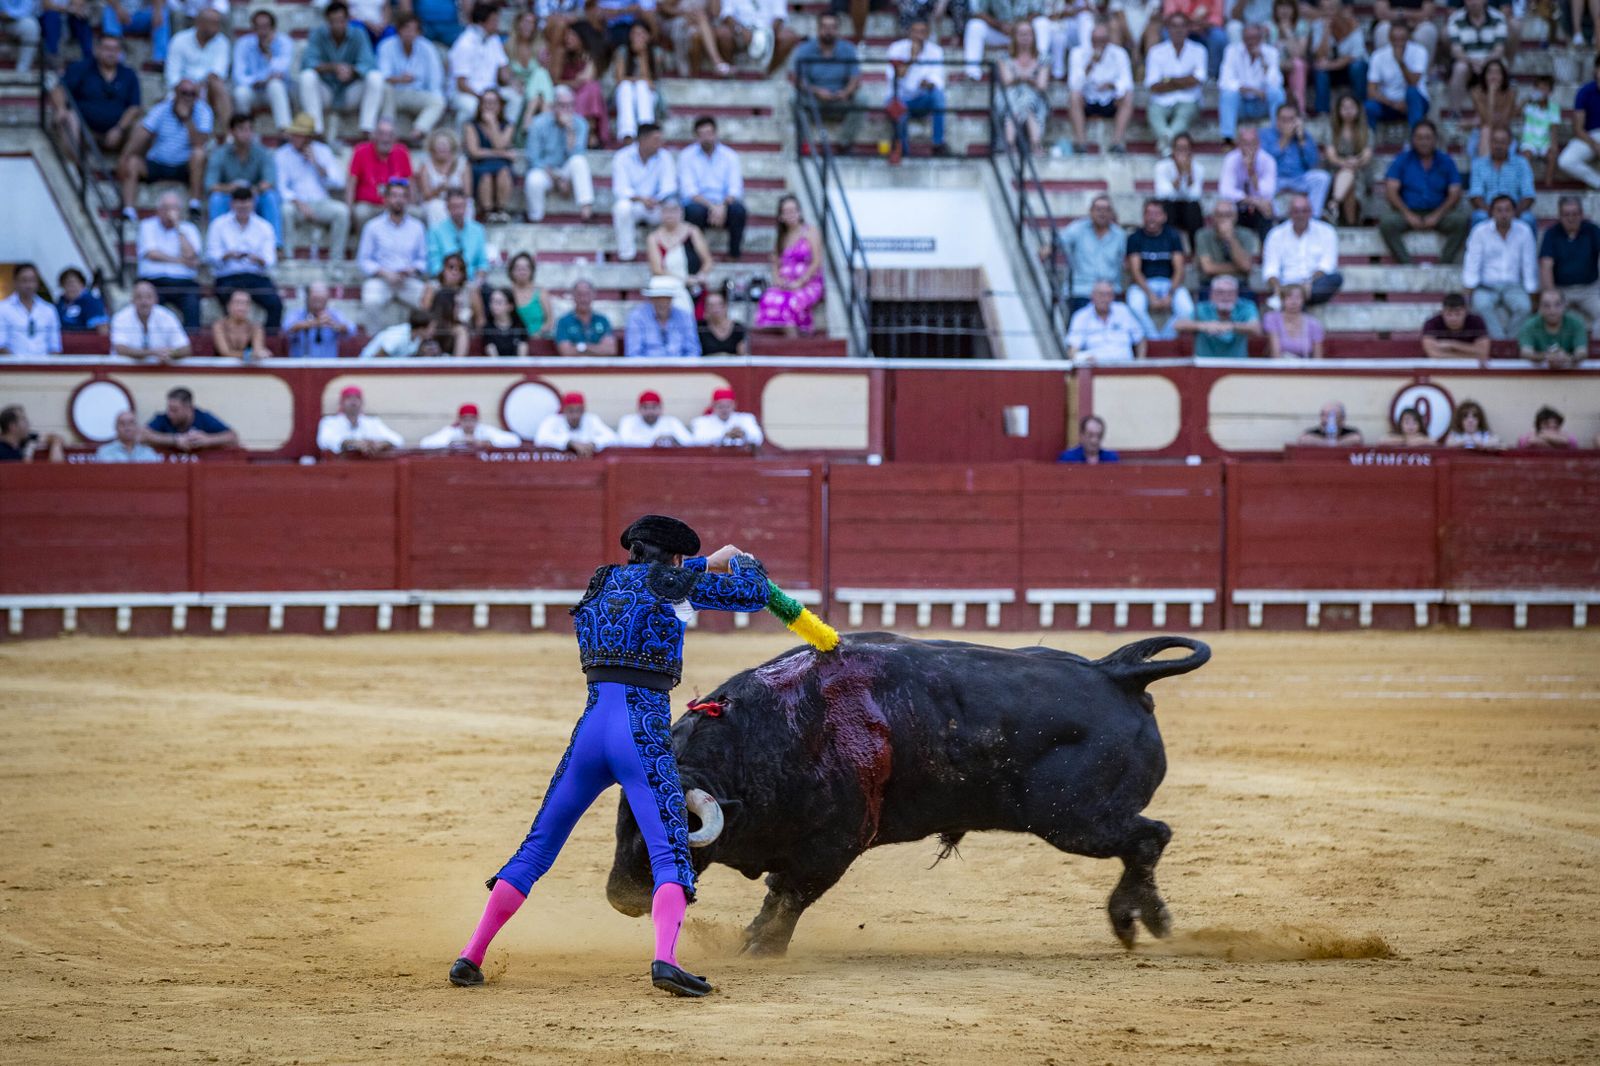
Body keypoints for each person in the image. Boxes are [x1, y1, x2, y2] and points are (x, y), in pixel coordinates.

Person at [449, 517, 768, 996]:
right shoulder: (675, 583)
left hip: (590, 732)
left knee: (536, 848)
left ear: (635, 550)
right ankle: (665, 960)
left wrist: (704, 563)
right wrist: (741, 560)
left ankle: (471, 955)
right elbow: (754, 593)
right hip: (641, 735)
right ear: (677, 558)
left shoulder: (601, 581)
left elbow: (656, 578)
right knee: (669, 854)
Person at [117, 79, 210, 219]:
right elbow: (143, 134)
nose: (188, 97)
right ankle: (128, 210)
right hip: (157, 162)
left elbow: (199, 143)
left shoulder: (203, 111)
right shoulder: (161, 108)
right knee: (132, 162)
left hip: (183, 165)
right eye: (184, 93)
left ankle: (194, 205)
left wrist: (187, 120)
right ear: (176, 93)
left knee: (199, 154)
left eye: (192, 94)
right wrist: (124, 157)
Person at [1380, 120, 1469, 265]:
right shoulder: (1402, 160)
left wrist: (1437, 215)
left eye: (1428, 137)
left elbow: (1455, 193)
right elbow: (1391, 190)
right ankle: (1407, 264)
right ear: (1413, 139)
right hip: (1408, 211)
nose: (1424, 142)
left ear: (1435, 139)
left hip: (1439, 213)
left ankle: (1443, 264)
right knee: (1387, 222)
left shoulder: (1446, 161)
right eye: (1419, 138)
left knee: (1461, 221)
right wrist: (1408, 215)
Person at [297, 2, 385, 138]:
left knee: (376, 77)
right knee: (306, 76)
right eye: (334, 21)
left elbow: (369, 63)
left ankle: (367, 128)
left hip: (351, 92)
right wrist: (333, 68)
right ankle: (315, 129)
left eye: (341, 21)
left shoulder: (359, 34)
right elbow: (308, 62)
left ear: (348, 19)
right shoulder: (317, 34)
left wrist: (351, 70)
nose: (338, 25)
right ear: (327, 21)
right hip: (326, 91)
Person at [275, 113, 351, 260]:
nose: (294, 138)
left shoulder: (322, 151)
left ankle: (336, 260)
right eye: (294, 134)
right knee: (285, 211)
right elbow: (281, 187)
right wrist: (299, 203)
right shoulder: (282, 154)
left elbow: (338, 182)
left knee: (342, 212)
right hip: (296, 203)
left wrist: (316, 164)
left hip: (321, 202)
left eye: (299, 135)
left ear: (309, 137)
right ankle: (289, 258)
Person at [206, 187, 283, 331]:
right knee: (226, 299)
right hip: (228, 276)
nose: (242, 206)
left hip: (255, 276)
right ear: (232, 204)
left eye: (246, 202)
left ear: (253, 203)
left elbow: (270, 260)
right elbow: (211, 256)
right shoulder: (218, 225)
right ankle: (230, 342)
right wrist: (227, 255)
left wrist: (258, 259)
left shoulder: (264, 227)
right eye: (239, 202)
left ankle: (270, 341)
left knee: (275, 303)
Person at [53, 33, 141, 158]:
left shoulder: (129, 74)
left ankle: (126, 167)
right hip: (84, 130)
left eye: (115, 49)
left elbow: (135, 107)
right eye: (107, 48)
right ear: (97, 50)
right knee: (69, 117)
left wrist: (119, 129)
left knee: (142, 127)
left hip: (117, 133)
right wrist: (61, 108)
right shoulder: (81, 68)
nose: (111, 53)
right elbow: (59, 89)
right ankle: (73, 167)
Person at [1463, 195, 1538, 341]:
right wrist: (1468, 291)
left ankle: (1510, 341)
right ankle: (1500, 341)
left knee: (1524, 307)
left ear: (1514, 212)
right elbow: (1472, 263)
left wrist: (1532, 293)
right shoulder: (1480, 231)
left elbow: (1529, 265)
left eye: (1507, 210)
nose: (1504, 214)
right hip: (1486, 286)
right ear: (1492, 212)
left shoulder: (1524, 231)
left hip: (1514, 286)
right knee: (1481, 306)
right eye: (1499, 210)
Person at [358, 178, 428, 332]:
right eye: (395, 196)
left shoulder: (417, 227)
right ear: (386, 199)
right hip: (382, 279)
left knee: (430, 298)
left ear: (408, 199)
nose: (399, 200)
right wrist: (384, 273)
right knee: (371, 300)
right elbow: (364, 261)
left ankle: (422, 343)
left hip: (408, 280)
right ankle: (374, 343)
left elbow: (423, 260)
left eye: (403, 196)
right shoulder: (372, 226)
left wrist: (412, 269)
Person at [791, 12, 863, 152]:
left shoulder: (848, 49)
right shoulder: (805, 49)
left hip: (840, 99)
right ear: (818, 28)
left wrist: (846, 92)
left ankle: (844, 143)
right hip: (814, 99)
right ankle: (805, 144)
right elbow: (798, 80)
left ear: (838, 30)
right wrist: (817, 91)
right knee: (793, 99)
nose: (828, 31)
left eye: (833, 27)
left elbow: (855, 78)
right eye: (825, 27)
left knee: (862, 100)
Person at [205, 113, 282, 244]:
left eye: (249, 129)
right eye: (242, 129)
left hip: (254, 195)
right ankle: (216, 244)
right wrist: (232, 189)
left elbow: (269, 182)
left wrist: (251, 190)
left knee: (270, 197)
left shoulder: (263, 152)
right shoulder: (219, 153)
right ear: (231, 132)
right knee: (216, 199)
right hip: (229, 196)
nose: (247, 134)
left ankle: (276, 245)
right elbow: (210, 185)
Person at [754, 194, 825, 336]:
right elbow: (775, 262)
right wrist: (778, 281)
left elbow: (817, 261)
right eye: (786, 211)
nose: (791, 214)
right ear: (780, 216)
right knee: (768, 298)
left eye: (793, 210)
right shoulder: (782, 236)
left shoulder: (810, 232)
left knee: (790, 303)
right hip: (786, 284)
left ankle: (794, 343)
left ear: (799, 212)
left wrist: (800, 282)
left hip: (808, 283)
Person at [1124, 199, 1194, 340]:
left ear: (1164, 217)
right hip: (1143, 284)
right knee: (1134, 306)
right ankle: (1154, 338)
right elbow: (1135, 271)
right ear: (1143, 216)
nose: (1151, 217)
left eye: (1156, 214)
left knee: (1187, 309)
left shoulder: (1173, 236)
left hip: (1169, 283)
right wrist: (1150, 295)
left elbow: (1179, 269)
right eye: (1148, 213)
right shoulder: (1134, 237)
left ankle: (1166, 338)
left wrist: (1169, 294)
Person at [678, 116, 746, 261]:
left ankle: (734, 255)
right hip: (700, 205)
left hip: (723, 204)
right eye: (702, 134)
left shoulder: (730, 156)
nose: (706, 138)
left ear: (716, 133)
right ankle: (694, 259)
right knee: (693, 211)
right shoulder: (686, 156)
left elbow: (735, 189)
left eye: (709, 133)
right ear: (696, 136)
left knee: (738, 210)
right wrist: (713, 207)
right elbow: (689, 191)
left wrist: (721, 206)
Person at [524, 85, 594, 222]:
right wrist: (557, 179)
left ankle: (586, 210)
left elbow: (577, 154)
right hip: (546, 171)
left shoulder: (580, 124)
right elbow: (533, 159)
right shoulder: (538, 124)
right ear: (553, 106)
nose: (567, 110)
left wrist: (570, 131)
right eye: (562, 105)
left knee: (579, 161)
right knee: (533, 179)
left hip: (567, 170)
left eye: (570, 105)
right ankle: (535, 218)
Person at [135, 189, 202, 328]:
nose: (169, 212)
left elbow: (190, 254)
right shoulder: (147, 226)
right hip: (154, 281)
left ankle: (192, 345)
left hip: (183, 283)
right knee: (148, 301)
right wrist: (180, 261)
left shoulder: (189, 228)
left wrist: (177, 226)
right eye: (166, 208)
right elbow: (152, 254)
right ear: (158, 210)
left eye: (174, 208)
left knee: (192, 304)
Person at [1143, 11, 1207, 155]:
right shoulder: (1156, 52)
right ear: (1168, 29)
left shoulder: (1199, 50)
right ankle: (1169, 142)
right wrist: (1184, 80)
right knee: (1154, 113)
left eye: (1182, 26)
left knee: (1185, 114)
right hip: (1161, 101)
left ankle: (1165, 143)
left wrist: (1168, 80)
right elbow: (1153, 86)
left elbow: (1197, 80)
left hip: (1189, 100)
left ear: (1188, 28)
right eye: (1174, 26)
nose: (1178, 30)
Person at [612, 123, 677, 263]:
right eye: (656, 140)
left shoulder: (665, 157)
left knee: (674, 206)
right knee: (621, 207)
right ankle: (626, 255)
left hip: (656, 206)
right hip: (634, 205)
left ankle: (670, 256)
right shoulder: (622, 157)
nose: (660, 144)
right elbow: (620, 189)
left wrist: (656, 200)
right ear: (642, 140)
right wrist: (641, 199)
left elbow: (669, 187)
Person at [1262, 193, 1342, 306]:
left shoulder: (1327, 232)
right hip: (1287, 286)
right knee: (1290, 295)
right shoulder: (1276, 234)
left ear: (1311, 212)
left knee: (1335, 279)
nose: (1300, 215)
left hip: (1314, 286)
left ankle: (1294, 301)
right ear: (1289, 213)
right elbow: (1271, 269)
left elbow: (1327, 265)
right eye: (1296, 211)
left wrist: (1307, 285)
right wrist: (1278, 288)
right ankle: (1295, 300)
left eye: (1304, 211)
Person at [449, 2, 519, 127]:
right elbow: (461, 84)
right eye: (494, 21)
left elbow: (504, 71)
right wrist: (483, 99)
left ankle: (506, 138)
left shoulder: (494, 40)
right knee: (471, 107)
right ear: (481, 23)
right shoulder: (464, 44)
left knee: (515, 98)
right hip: (467, 93)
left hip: (490, 91)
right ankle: (461, 142)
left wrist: (513, 84)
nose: (498, 24)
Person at [886, 19, 948, 161]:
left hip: (921, 99)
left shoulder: (936, 51)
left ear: (927, 34)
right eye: (915, 32)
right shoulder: (896, 48)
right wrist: (912, 59)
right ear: (909, 33)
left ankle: (938, 143)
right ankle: (903, 151)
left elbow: (938, 80)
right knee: (898, 107)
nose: (918, 36)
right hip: (898, 98)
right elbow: (895, 77)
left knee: (938, 96)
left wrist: (929, 84)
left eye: (922, 32)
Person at [1539, 195, 1600, 337]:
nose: (1571, 218)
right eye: (1566, 214)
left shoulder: (1592, 230)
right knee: (1545, 316)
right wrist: (1551, 294)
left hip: (1589, 289)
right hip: (1561, 290)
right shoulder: (1551, 233)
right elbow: (1546, 265)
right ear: (1559, 216)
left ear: (1581, 215)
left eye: (1575, 214)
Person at [164, 7, 230, 138]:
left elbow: (217, 73)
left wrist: (199, 87)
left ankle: (229, 133)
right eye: (212, 23)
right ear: (199, 23)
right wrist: (189, 87)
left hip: (208, 89)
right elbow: (172, 75)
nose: (216, 27)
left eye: (218, 23)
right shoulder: (179, 40)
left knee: (218, 85)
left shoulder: (222, 42)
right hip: (181, 90)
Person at [377, 14, 447, 136]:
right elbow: (383, 76)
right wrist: (400, 79)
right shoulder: (386, 46)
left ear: (419, 32)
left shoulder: (428, 48)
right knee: (385, 88)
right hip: (395, 93)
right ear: (399, 30)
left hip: (417, 93)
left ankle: (418, 132)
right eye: (406, 29)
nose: (409, 33)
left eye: (413, 30)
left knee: (438, 100)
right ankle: (387, 131)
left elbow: (435, 79)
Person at [1053, 194, 1125, 312]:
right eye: (1098, 209)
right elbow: (1057, 243)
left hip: (1109, 290)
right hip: (1082, 289)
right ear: (1090, 212)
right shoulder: (1078, 228)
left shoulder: (1119, 235)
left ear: (1111, 213)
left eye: (1106, 210)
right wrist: (1046, 250)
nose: (1102, 213)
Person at [1261, 103, 1330, 219]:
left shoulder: (1304, 135)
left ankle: (1313, 217)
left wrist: (1302, 140)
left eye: (1291, 119)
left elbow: (1313, 162)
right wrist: (1285, 138)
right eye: (1284, 119)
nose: (1288, 123)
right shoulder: (1265, 135)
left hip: (1299, 178)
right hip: (1274, 179)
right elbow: (1265, 161)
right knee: (1261, 184)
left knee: (1322, 178)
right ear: (1277, 121)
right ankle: (1270, 218)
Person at [1218, 24, 1284, 144]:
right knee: (1227, 95)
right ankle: (1228, 139)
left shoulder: (1271, 53)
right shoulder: (1231, 51)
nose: (1251, 42)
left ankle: (1278, 135)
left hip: (1261, 104)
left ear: (1260, 38)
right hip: (1241, 104)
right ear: (1242, 38)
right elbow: (1225, 81)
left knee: (1277, 93)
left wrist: (1263, 62)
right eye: (1248, 38)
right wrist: (1253, 91)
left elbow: (1275, 83)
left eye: (1254, 38)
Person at [647, 200, 713, 315]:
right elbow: (657, 270)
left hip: (694, 284)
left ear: (681, 213)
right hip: (670, 283)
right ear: (661, 214)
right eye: (666, 211)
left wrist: (701, 275)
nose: (670, 215)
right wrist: (684, 279)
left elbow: (707, 260)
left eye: (674, 211)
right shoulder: (653, 238)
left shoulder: (692, 232)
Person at [233, 9, 294, 133]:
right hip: (253, 89)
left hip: (275, 91)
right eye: (258, 27)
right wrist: (257, 81)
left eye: (266, 27)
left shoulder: (284, 42)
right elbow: (238, 75)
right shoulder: (243, 44)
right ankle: (244, 131)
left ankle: (285, 130)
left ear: (273, 28)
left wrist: (268, 53)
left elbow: (279, 72)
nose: (262, 31)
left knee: (275, 85)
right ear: (253, 28)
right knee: (240, 92)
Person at [347, 119, 414, 232]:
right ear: (374, 136)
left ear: (395, 138)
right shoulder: (361, 151)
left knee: (416, 213)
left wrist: (411, 203)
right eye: (381, 134)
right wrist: (349, 208)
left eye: (390, 134)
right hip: (370, 205)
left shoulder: (402, 152)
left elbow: (410, 182)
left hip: (396, 203)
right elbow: (351, 183)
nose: (385, 138)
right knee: (361, 212)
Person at [995, 21, 1050, 156]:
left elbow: (1042, 86)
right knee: (1017, 99)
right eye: (1021, 34)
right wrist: (1028, 79)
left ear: (1034, 36)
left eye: (1028, 34)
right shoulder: (1004, 57)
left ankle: (1010, 144)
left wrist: (1020, 78)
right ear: (1014, 37)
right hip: (1009, 97)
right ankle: (1035, 145)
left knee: (1026, 100)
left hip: (1034, 99)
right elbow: (1007, 82)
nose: (1025, 37)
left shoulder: (1043, 58)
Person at [1446, 0, 1508, 117]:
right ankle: (1455, 112)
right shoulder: (1455, 18)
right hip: (1467, 62)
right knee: (1460, 68)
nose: (1473, 2)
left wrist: (1485, 62)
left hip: (1490, 61)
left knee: (1495, 69)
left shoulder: (1498, 18)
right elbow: (1456, 50)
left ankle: (1497, 113)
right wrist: (1472, 62)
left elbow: (1499, 50)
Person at [1467, 126, 1535, 231]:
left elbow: (1528, 195)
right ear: (1490, 142)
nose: (1498, 146)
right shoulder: (1478, 164)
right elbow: (1476, 196)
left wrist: (1512, 213)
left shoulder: (1521, 163)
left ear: (1510, 143)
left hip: (1514, 211)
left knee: (1528, 219)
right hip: (1488, 211)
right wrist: (1493, 213)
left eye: (1503, 142)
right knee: (1479, 217)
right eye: (1495, 141)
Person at [1365, 19, 1429, 129]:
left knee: (1412, 92)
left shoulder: (1420, 51)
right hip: (1388, 104)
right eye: (1395, 39)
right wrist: (1393, 104)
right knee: (1369, 107)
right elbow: (1371, 91)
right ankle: (1369, 142)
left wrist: (1401, 63)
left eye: (1402, 38)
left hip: (1415, 102)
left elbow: (1413, 82)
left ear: (1408, 36)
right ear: (1389, 37)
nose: (1398, 42)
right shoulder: (1378, 56)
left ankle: (1415, 138)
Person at [1177, 275, 1261, 358]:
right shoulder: (1201, 308)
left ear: (1236, 294)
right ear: (1212, 294)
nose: (1225, 297)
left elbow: (1256, 329)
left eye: (1230, 293)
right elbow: (1179, 325)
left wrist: (1230, 326)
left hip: (1237, 363)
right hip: (1205, 364)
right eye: (1220, 292)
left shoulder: (1246, 307)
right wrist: (1205, 326)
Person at [1217, 124, 1278, 238]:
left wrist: (1252, 174)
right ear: (1239, 144)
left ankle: (1266, 249)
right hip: (1239, 206)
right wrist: (1252, 201)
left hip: (1260, 209)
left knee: (1267, 209)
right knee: (1226, 210)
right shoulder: (1231, 159)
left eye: (1252, 143)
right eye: (1245, 143)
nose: (1249, 148)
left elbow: (1268, 192)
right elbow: (1225, 191)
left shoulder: (1268, 160)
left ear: (1258, 144)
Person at [1309, 0, 1366, 118]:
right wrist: (1326, 32)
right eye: (1324, 9)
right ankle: (1322, 113)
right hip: (1332, 71)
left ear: (1340, 10)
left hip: (1350, 68)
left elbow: (1354, 56)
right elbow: (1319, 55)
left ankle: (1360, 106)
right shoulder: (1318, 25)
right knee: (1320, 70)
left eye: (1331, 9)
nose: (1328, 13)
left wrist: (1330, 65)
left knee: (1358, 66)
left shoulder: (1354, 25)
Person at [1194, 199, 1259, 301]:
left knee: (1250, 307)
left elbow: (1246, 266)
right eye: (1219, 215)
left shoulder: (1247, 234)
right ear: (1213, 217)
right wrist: (1238, 269)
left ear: (1235, 217)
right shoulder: (1202, 235)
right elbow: (1208, 268)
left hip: (1239, 286)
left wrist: (1231, 239)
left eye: (1228, 215)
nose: (1223, 219)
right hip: (1210, 285)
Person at [1065, 279, 1145, 362]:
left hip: (1125, 368)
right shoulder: (1081, 316)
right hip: (1096, 370)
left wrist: (1140, 363)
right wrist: (1083, 357)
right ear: (1092, 296)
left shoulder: (1123, 311)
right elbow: (1072, 349)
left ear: (1113, 297)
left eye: (1109, 294)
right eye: (1101, 295)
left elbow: (1140, 339)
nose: (1105, 299)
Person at [109, 279, 189, 360]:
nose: (144, 302)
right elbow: (120, 349)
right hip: (124, 371)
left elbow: (186, 348)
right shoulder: (120, 317)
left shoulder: (167, 316)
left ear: (156, 300)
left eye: (148, 297)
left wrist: (171, 353)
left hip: (160, 370)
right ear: (132, 300)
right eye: (139, 297)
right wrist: (152, 353)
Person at [1325, 91, 1372, 225]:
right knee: (1348, 177)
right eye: (1344, 107)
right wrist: (1346, 163)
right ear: (1338, 110)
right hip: (1337, 172)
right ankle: (1351, 224)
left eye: (1351, 107)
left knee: (1350, 176)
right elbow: (1331, 156)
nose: (1348, 111)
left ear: (1358, 109)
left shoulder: (1367, 132)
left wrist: (1354, 162)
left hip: (1360, 172)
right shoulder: (1332, 131)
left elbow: (1366, 157)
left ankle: (1334, 203)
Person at [626, 276, 703, 357]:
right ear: (651, 299)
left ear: (671, 299)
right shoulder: (637, 317)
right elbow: (633, 352)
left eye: (666, 298)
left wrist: (683, 367)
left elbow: (693, 350)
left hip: (679, 366)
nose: (662, 303)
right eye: (658, 298)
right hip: (647, 367)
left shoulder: (684, 317)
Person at [143, 386, 237, 451]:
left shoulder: (203, 417)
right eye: (169, 409)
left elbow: (232, 437)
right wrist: (175, 440)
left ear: (189, 408)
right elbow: (142, 435)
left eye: (175, 410)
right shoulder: (163, 418)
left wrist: (208, 440)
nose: (170, 414)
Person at [423, 252, 480, 357]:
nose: (455, 272)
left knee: (461, 331)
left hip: (462, 329)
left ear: (464, 273)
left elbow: (480, 319)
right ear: (443, 269)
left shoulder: (471, 289)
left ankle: (458, 366)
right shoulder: (433, 287)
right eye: (451, 267)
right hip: (438, 327)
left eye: (459, 269)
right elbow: (424, 314)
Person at [317, 386, 406, 454]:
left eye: (357, 398)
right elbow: (324, 441)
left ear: (362, 402)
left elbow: (397, 440)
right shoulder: (329, 422)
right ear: (341, 403)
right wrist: (353, 443)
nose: (353, 401)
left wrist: (380, 444)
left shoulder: (372, 422)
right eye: (349, 398)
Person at [612, 20, 660, 144]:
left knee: (641, 86)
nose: (638, 37)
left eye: (641, 34)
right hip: (627, 94)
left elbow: (649, 79)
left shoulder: (656, 53)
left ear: (648, 36)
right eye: (635, 33)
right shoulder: (622, 51)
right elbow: (619, 79)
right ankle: (627, 133)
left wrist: (642, 54)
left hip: (648, 95)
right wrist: (636, 80)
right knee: (625, 86)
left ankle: (646, 130)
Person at [427, 187, 488, 280]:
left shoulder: (478, 229)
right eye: (454, 207)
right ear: (447, 207)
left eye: (461, 206)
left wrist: (479, 277)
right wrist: (448, 277)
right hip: (444, 281)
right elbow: (434, 263)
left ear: (466, 206)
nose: (458, 211)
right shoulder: (435, 231)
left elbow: (482, 262)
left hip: (472, 281)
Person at [0, 263, 62, 356]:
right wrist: (19, 365)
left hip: (44, 366)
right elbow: (1, 344)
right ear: (15, 282)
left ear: (37, 283)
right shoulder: (3, 308)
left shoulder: (49, 309)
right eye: (24, 280)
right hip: (13, 367)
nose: (28, 285)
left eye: (32, 280)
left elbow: (55, 346)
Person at [1153, 132, 1204, 242]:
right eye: (1179, 148)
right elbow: (1162, 194)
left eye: (1185, 148)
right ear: (1173, 150)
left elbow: (1196, 195)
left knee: (1194, 209)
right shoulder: (1162, 166)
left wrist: (1190, 176)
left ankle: (1197, 250)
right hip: (1170, 208)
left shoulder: (1198, 168)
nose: (1182, 152)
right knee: (1167, 207)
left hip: (1187, 209)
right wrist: (1180, 174)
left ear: (1191, 150)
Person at [1558, 55, 1600, 190]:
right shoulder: (1585, 92)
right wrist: (1594, 144)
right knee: (1566, 161)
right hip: (1591, 136)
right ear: (1596, 70)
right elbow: (1578, 129)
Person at [283, 282, 356, 358]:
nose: (318, 303)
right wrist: (314, 323)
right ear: (307, 298)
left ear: (327, 299)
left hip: (328, 365)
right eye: (315, 299)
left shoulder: (334, 315)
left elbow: (351, 330)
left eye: (321, 299)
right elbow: (286, 328)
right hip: (301, 366)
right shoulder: (297, 314)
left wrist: (334, 325)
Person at [1517, 290, 1587, 368]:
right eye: (1546, 305)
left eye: (1557, 305)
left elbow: (1582, 352)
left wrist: (1567, 358)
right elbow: (1526, 352)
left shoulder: (1576, 323)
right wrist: (1545, 356)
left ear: (1564, 306)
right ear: (1540, 307)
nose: (1552, 310)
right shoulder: (1529, 325)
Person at [416, 128, 471, 228]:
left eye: (445, 145)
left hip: (458, 200)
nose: (442, 148)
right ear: (432, 149)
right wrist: (439, 189)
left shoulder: (462, 164)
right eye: (439, 146)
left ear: (451, 147)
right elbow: (425, 196)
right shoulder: (426, 166)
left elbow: (467, 192)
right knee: (435, 207)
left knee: (467, 204)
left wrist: (453, 193)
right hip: (435, 202)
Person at [533, 391, 619, 453]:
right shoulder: (553, 420)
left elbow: (612, 437)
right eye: (571, 411)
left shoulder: (591, 420)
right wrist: (570, 443)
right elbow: (540, 438)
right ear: (564, 410)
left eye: (579, 411)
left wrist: (593, 443)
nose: (575, 415)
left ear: (584, 410)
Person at [554, 278, 616, 356]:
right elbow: (566, 352)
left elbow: (610, 350)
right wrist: (597, 348)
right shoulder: (564, 321)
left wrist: (582, 347)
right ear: (573, 296)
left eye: (587, 294)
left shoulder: (602, 320)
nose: (583, 299)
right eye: (579, 294)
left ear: (593, 295)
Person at [1420, 292, 1490, 360]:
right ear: (1442, 312)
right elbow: (1433, 354)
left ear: (1466, 311)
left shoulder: (1476, 322)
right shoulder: (1432, 323)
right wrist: (1471, 354)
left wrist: (1451, 344)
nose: (1453, 318)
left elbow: (1483, 352)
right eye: (1449, 314)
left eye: (1458, 314)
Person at [1262, 282, 1324, 357]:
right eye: (1289, 297)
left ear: (1304, 300)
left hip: (1305, 366)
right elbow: (1275, 353)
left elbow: (1318, 357)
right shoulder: (1272, 318)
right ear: (1282, 300)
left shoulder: (1313, 323)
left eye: (1298, 298)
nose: (1294, 302)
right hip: (1279, 365)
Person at [420, 403, 522, 449]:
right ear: (459, 420)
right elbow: (425, 443)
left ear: (477, 419)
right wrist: (453, 442)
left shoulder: (484, 430)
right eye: (465, 419)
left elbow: (515, 440)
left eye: (472, 419)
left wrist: (488, 442)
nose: (469, 423)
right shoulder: (452, 431)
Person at [1520, 74, 1560, 187]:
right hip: (1529, 142)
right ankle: (1526, 184)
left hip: (1545, 143)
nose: (1542, 91)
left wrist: (1554, 146)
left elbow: (1554, 129)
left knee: (1552, 156)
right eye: (1539, 88)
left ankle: (1548, 184)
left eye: (1545, 88)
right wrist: (1527, 99)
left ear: (1550, 91)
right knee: (1525, 156)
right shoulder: (1529, 106)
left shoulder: (1554, 108)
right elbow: (1515, 113)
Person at [100, 0, 168, 65]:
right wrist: (118, 9)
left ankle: (160, 59)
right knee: (109, 11)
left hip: (142, 17)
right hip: (120, 16)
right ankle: (115, 53)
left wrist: (157, 11)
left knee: (163, 12)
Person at [691, 387, 764, 446]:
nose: (724, 410)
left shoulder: (745, 419)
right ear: (713, 406)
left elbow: (758, 439)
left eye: (728, 406)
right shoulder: (702, 422)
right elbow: (697, 440)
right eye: (720, 406)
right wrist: (724, 436)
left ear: (734, 405)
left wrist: (744, 434)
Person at [617, 390, 693, 446]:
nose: (650, 411)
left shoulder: (671, 421)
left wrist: (675, 440)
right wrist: (653, 442)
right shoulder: (628, 421)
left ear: (661, 408)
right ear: (638, 409)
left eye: (654, 407)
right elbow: (622, 441)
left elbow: (690, 442)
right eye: (645, 407)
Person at [359, 307, 438, 357]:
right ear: (421, 328)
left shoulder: (418, 338)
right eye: (432, 328)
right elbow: (378, 357)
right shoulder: (397, 336)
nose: (434, 331)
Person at [211, 290, 266, 360]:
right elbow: (224, 352)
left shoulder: (255, 328)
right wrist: (249, 354)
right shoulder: (219, 326)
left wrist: (260, 353)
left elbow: (258, 351)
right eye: (237, 303)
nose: (241, 307)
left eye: (245, 303)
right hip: (221, 370)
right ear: (229, 305)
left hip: (247, 370)